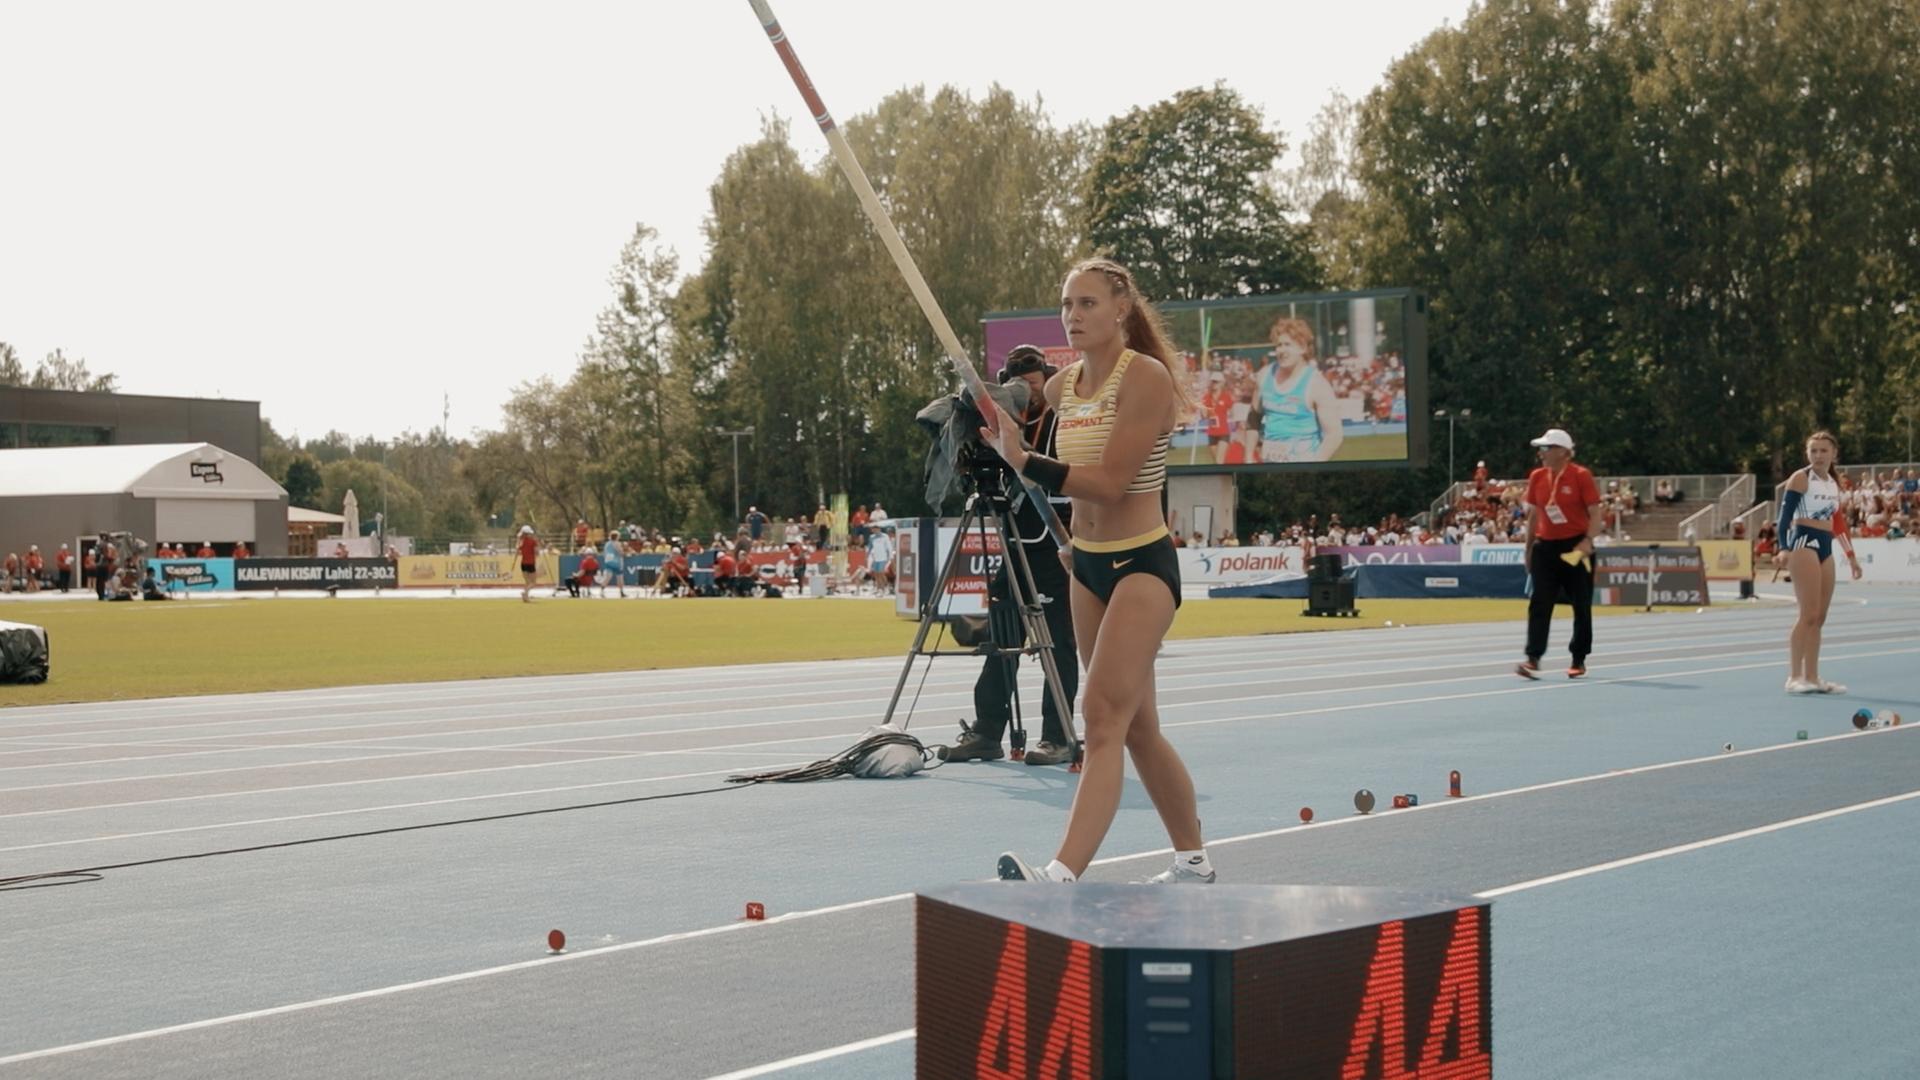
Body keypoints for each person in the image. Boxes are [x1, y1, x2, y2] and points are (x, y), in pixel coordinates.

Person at [979, 256, 1213, 886]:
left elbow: (1110, 485)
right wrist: (990, 430)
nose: (1073, 316)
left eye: (1086, 304)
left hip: (1143, 564)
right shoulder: (1060, 389)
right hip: (1087, 567)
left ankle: (1061, 875)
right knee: (1139, 729)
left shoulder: (1147, 380)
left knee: (1101, 714)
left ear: (1120, 309)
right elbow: (1046, 468)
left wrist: (1024, 459)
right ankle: (1192, 859)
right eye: (1066, 305)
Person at [941, 344, 1079, 769]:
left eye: (1034, 385)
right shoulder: (1000, 419)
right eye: (1018, 385)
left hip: (1055, 548)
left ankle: (1057, 737)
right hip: (1015, 545)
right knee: (1000, 642)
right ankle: (986, 731)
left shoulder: (1064, 421)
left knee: (1057, 646)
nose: (1027, 392)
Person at [1773, 431, 1862, 694]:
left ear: (1834, 454)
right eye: (1813, 451)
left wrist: (1852, 557)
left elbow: (1838, 523)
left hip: (1825, 546)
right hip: (1803, 544)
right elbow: (1784, 516)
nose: (1818, 456)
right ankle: (1794, 677)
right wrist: (1784, 547)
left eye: (1824, 451)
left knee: (1819, 617)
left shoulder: (1833, 483)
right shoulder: (1801, 478)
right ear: (1807, 454)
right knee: (1807, 614)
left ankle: (1812, 676)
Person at [1517, 427, 1601, 680]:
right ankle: (1533, 657)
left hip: (1576, 546)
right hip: (1546, 546)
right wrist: (1529, 547)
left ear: (1563, 452)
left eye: (1546, 448)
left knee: (1581, 604)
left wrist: (1588, 541)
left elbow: (1595, 513)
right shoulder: (1537, 477)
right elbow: (1534, 515)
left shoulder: (1581, 476)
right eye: (1541, 448)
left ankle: (1579, 657)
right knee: (1539, 602)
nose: (1541, 453)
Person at [1248, 316, 1343, 463]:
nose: (1282, 350)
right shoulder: (1264, 375)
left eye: (1287, 344)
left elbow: (1334, 434)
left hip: (1302, 467)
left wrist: (1315, 465)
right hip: (1269, 467)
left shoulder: (1317, 384)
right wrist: (1248, 457)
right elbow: (1253, 419)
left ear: (1302, 348)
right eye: (1279, 345)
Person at [865, 522, 894, 594]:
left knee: (881, 573)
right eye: (873, 529)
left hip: (883, 557)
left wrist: (891, 556)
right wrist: (867, 556)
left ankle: (886, 587)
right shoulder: (872, 537)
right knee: (876, 574)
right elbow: (870, 547)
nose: (874, 530)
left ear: (879, 529)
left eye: (876, 529)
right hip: (875, 558)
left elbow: (889, 547)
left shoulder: (885, 536)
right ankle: (879, 588)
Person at [600, 531, 627, 598]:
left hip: (608, 561)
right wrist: (624, 554)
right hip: (617, 562)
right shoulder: (617, 543)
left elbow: (604, 553)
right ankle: (621, 592)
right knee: (620, 577)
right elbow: (620, 552)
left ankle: (602, 590)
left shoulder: (607, 544)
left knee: (608, 577)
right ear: (617, 537)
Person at [517, 525, 539, 602]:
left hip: (523, 563)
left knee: (527, 582)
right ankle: (525, 593)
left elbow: (518, 551)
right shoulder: (533, 541)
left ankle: (525, 597)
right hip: (531, 563)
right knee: (533, 582)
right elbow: (536, 552)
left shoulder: (521, 541)